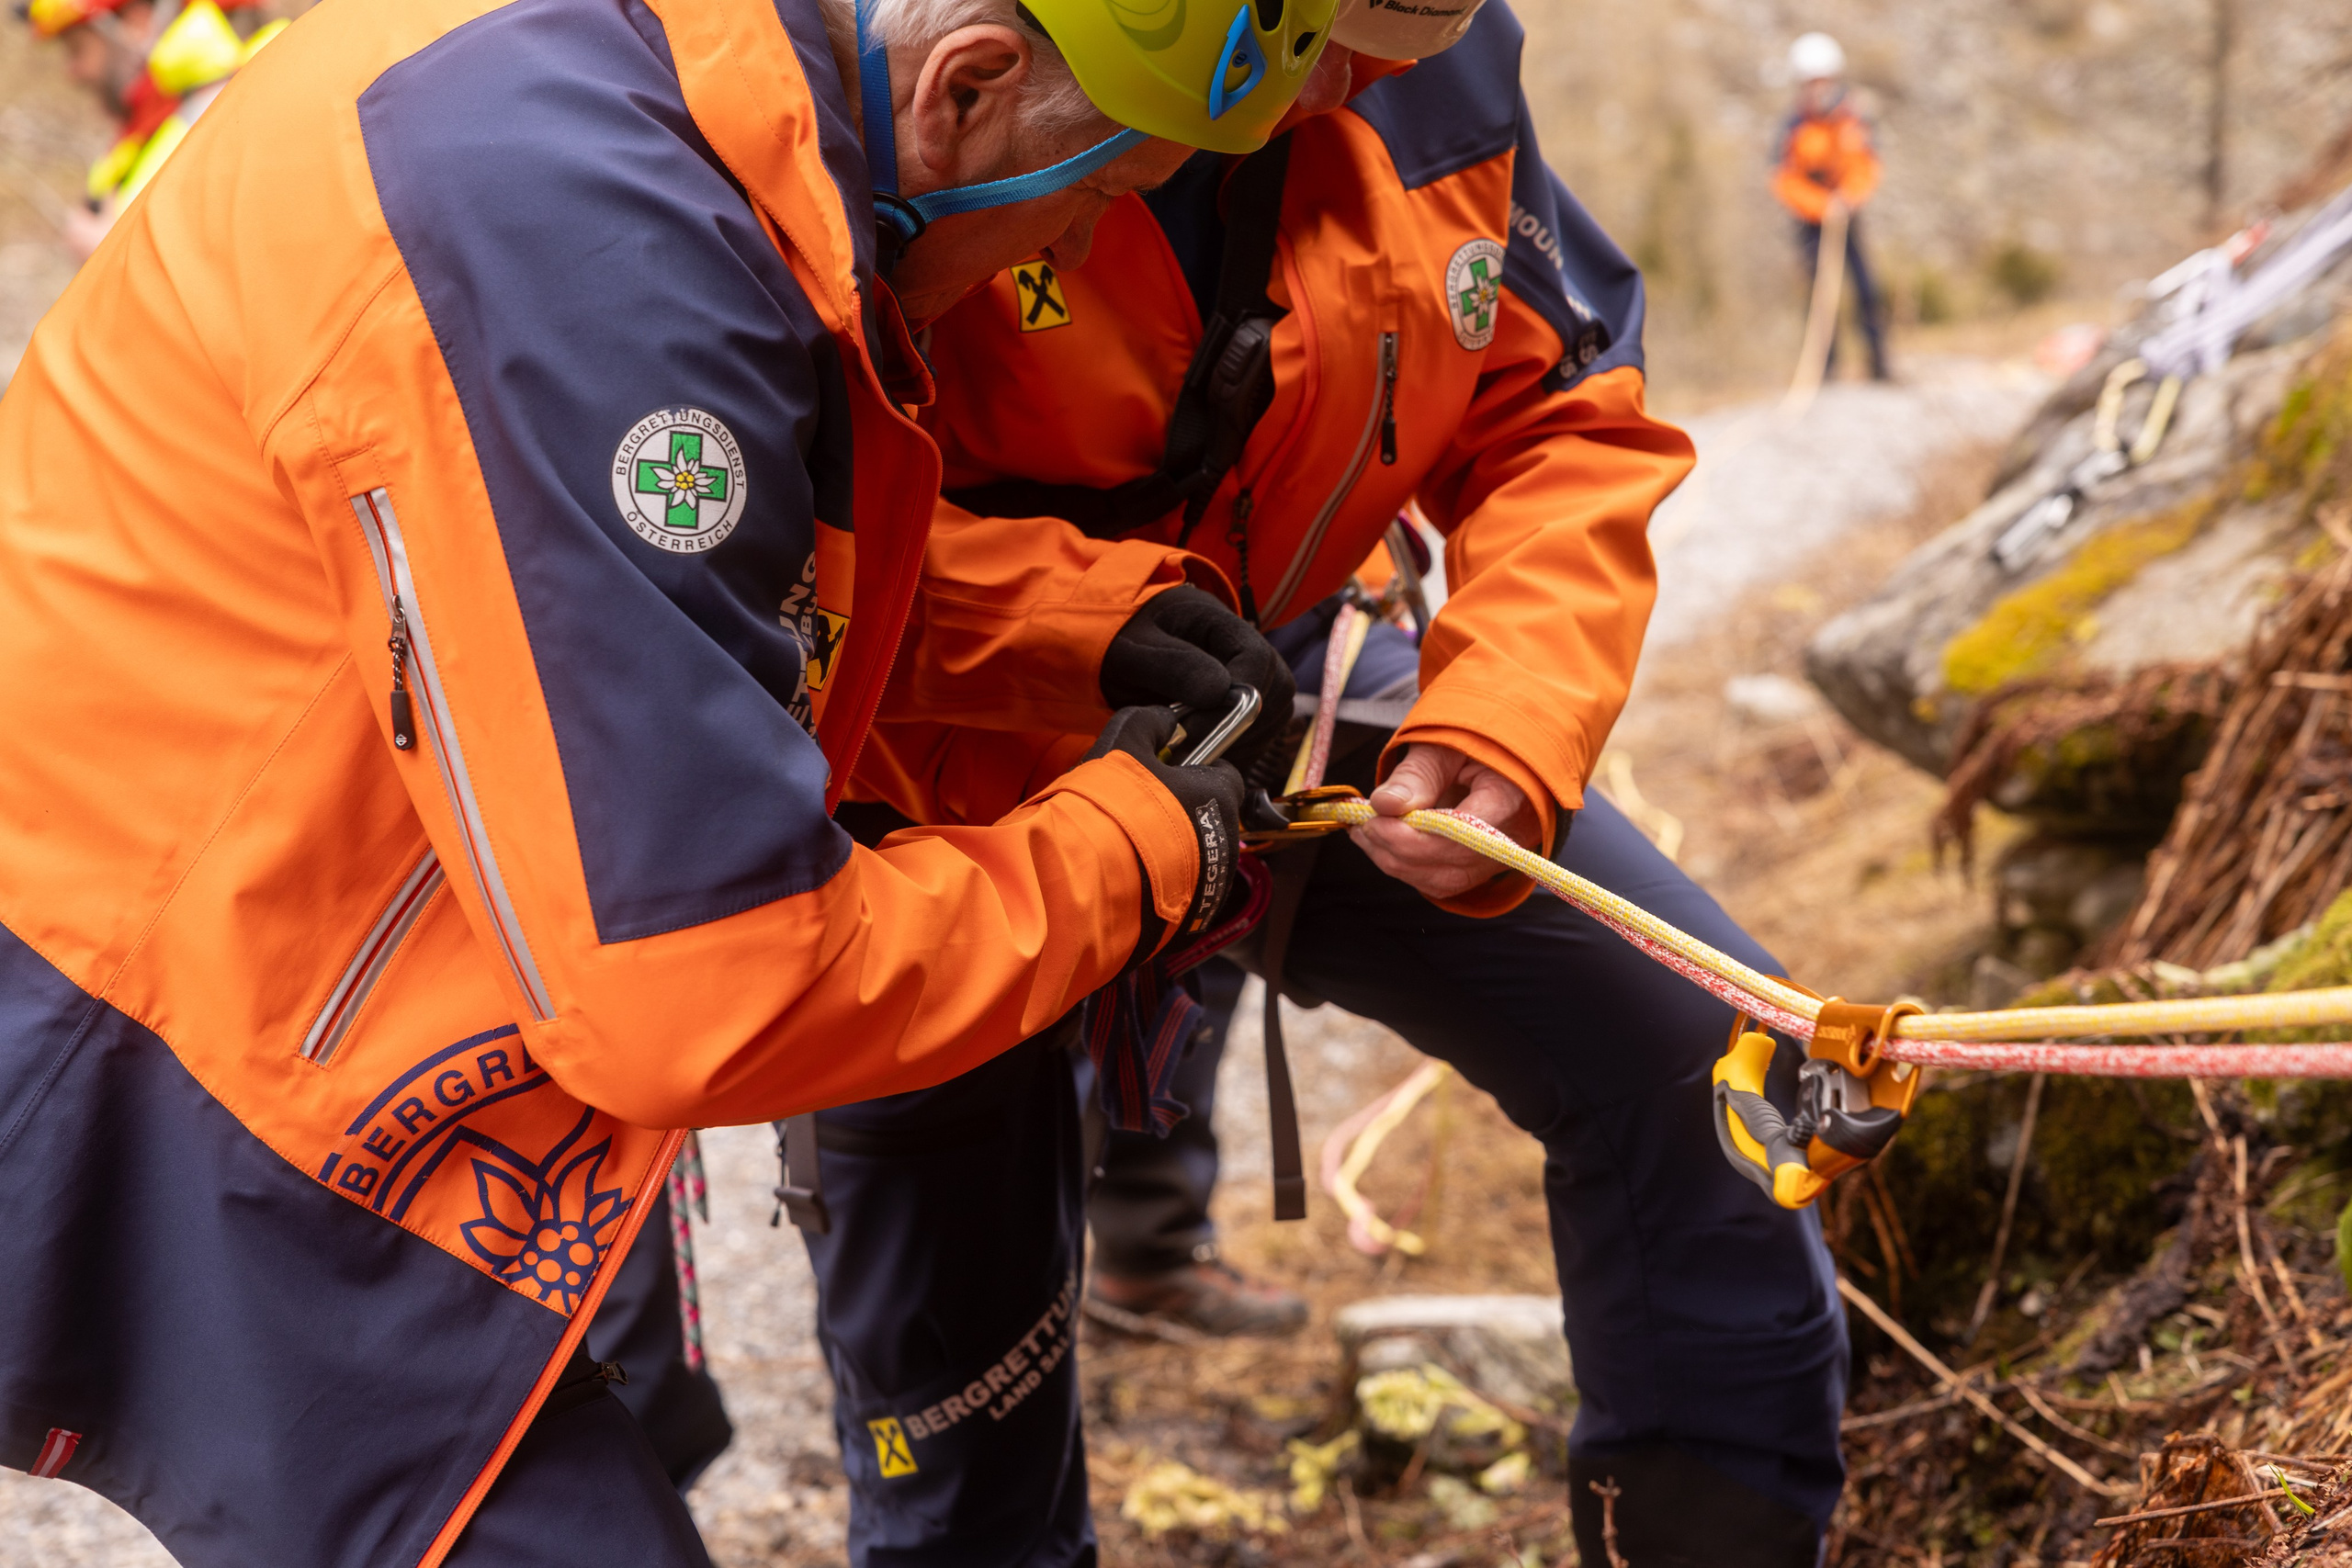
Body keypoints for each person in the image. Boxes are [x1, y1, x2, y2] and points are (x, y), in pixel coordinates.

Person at [0, 0, 1342, 1557]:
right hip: (160, 1031)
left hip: (222, 933)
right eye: (1102, 190)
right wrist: (1133, 846)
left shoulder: (647, 105)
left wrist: (1076, 626)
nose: (1085, 241)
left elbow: (631, 561)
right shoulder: (589, 242)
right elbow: (705, 985)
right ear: (968, 84)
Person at [751, 3, 1850, 1563]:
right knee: (965, 1391)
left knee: (1704, 1054)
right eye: (1343, 30)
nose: (1356, 81)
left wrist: (1507, 719)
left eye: (1421, 24)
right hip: (928, 760)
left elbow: (1560, 410)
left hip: (1277, 678)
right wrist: (1079, 626)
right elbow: (767, 507)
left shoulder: (1444, 78)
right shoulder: (897, 66)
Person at [16, 0, 285, 258]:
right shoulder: (154, 126)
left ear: (136, 22)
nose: (73, 73)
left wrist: (111, 256)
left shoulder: (229, 102)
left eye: (77, 49)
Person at [1772, 30, 1891, 381]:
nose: (1818, 89)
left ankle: (1878, 362)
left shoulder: (1851, 119)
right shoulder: (1794, 127)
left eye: (1822, 80)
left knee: (1866, 287)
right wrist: (1821, 206)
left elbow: (1866, 164)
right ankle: (1826, 366)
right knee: (1819, 292)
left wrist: (1847, 199)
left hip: (1848, 216)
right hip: (1812, 222)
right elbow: (1784, 179)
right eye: (1811, 82)